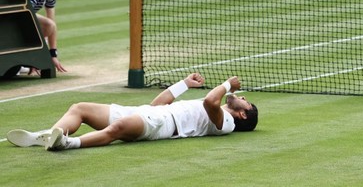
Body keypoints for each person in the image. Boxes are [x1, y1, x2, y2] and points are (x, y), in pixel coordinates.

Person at [7, 73, 257, 150]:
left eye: (247, 102)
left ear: (243, 115)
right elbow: (157, 104)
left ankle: (67, 143)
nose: (243, 98)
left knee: (115, 130)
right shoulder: (221, 111)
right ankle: (48, 134)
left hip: (163, 127)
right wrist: (183, 85)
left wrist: (227, 86)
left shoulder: (227, 123)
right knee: (80, 108)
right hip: (151, 113)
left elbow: (210, 102)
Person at [21, 0, 74, 73]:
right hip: (8, 17)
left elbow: (52, 25)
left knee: (49, 25)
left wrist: (53, 55)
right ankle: (21, 61)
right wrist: (36, 57)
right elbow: (23, 20)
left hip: (19, 16)